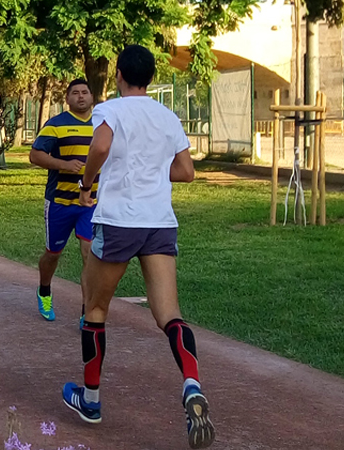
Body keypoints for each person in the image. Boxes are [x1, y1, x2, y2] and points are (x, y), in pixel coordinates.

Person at [61, 45, 214, 449]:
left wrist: (87, 184)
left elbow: (100, 147)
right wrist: (149, 167)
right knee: (169, 314)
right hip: (159, 223)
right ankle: (192, 385)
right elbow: (186, 171)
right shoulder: (167, 116)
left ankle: (90, 400)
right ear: (149, 77)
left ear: (118, 76)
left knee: (94, 307)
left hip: (118, 220)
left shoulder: (111, 110)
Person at [29, 79, 95, 325]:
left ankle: (87, 312)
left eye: (85, 93)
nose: (80, 97)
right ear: (67, 99)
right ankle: (44, 290)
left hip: (91, 203)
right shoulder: (55, 125)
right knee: (52, 254)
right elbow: (35, 155)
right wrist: (64, 165)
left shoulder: (102, 125)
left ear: (92, 97)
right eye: (75, 93)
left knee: (90, 255)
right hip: (60, 201)